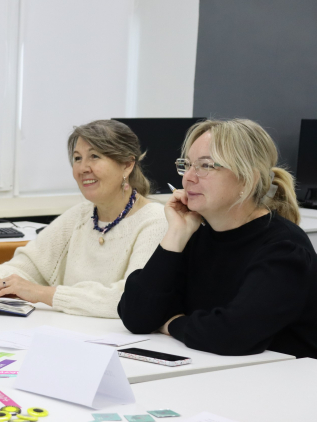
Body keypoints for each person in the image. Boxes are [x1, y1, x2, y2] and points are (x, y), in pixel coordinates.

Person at [118, 119, 317, 359]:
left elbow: (232, 334)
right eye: (186, 165)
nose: (188, 178)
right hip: (214, 369)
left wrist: (172, 324)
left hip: (281, 376)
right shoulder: (197, 235)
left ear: (248, 178)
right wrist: (176, 234)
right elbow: (136, 316)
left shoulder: (285, 248)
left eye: (205, 166)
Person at [0, 120, 168, 318]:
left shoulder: (156, 220)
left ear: (127, 165)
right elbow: (29, 266)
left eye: (94, 156)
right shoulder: (80, 215)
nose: (83, 168)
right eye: (78, 158)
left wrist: (42, 293)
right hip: (66, 331)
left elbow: (131, 299)